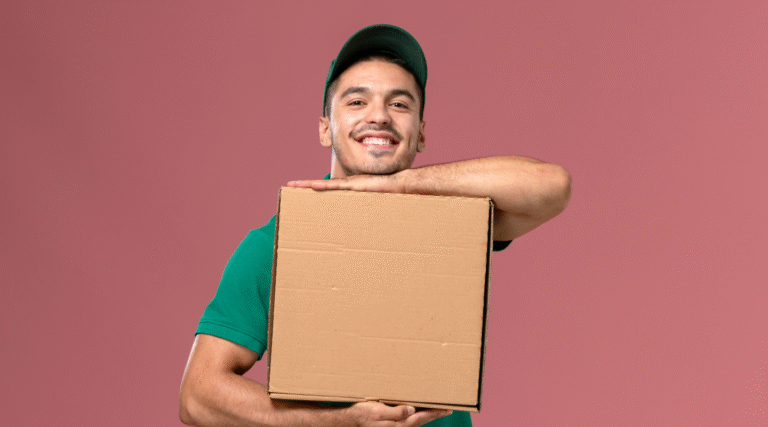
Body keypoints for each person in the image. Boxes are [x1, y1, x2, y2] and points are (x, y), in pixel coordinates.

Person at [179, 24, 571, 427]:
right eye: (356, 101)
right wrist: (341, 422)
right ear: (325, 128)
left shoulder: (448, 227)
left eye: (399, 104)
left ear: (420, 133)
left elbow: (552, 186)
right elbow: (198, 395)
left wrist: (400, 184)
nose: (379, 115)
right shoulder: (278, 244)